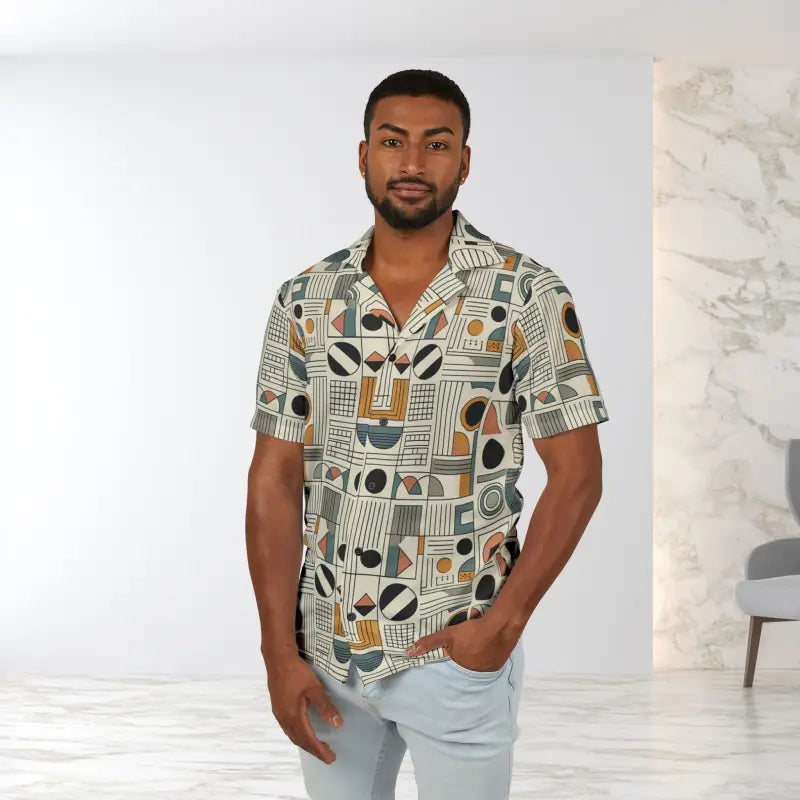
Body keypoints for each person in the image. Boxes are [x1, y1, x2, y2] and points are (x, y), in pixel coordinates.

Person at [245, 68, 609, 800]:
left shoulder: (526, 294)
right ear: (363, 155)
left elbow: (577, 475)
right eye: (393, 142)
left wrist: (501, 627)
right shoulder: (306, 298)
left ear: (464, 162)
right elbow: (274, 479)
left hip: (455, 651)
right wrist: (278, 652)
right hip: (326, 656)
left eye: (436, 144)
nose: (412, 163)